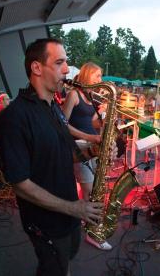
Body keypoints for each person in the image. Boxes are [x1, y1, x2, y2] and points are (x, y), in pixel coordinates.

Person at [0, 39, 105, 276]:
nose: (66, 69)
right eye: (59, 62)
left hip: (69, 214)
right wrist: (74, 208)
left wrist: (94, 151)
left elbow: (65, 152)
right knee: (53, 268)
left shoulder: (53, 108)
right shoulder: (14, 117)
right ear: (36, 68)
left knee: (64, 263)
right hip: (47, 222)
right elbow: (20, 185)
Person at [61, 62, 112, 251]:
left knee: (94, 187)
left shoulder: (90, 96)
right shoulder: (74, 94)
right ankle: (93, 233)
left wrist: (105, 119)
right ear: (87, 75)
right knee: (90, 190)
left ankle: (88, 220)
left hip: (92, 144)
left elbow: (89, 121)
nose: (101, 80)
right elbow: (62, 124)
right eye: (98, 75)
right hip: (79, 146)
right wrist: (89, 136)